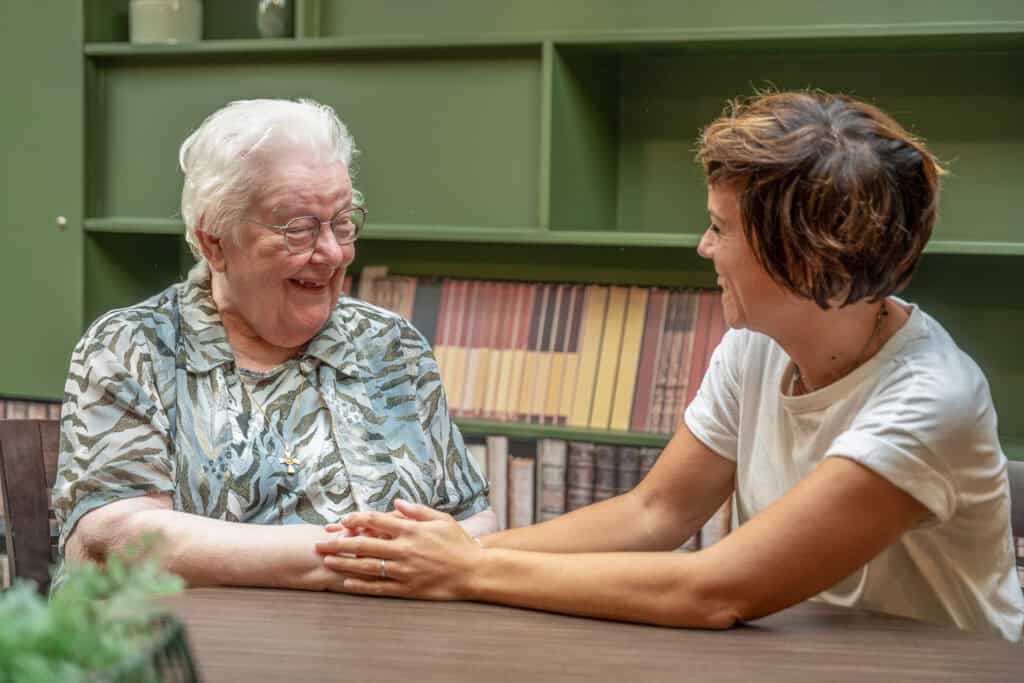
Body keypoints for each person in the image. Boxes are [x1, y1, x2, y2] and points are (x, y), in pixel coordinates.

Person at [314, 91, 1024, 642]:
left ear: (804, 261)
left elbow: (716, 590)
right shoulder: (757, 341)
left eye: (720, 227)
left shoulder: (931, 402)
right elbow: (654, 512)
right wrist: (446, 556)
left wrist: (470, 569)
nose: (702, 247)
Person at [51, 98, 495, 591]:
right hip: (196, 657)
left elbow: (473, 523)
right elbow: (121, 537)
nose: (331, 252)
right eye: (298, 229)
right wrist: (368, 559)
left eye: (343, 222)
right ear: (215, 241)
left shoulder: (391, 345)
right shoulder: (132, 348)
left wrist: (431, 559)